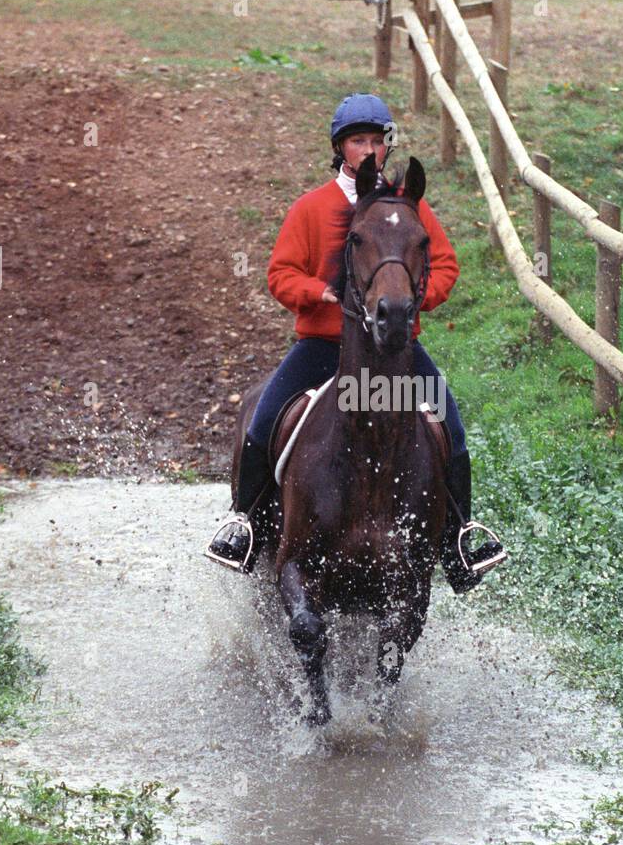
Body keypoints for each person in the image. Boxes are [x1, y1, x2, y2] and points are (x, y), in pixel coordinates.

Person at [206, 93, 505, 592]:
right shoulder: (312, 208)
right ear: (340, 147)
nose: (368, 149)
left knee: (450, 429)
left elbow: (446, 265)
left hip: (393, 355)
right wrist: (318, 291)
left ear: (387, 148)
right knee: (261, 425)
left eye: (376, 141)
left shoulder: (405, 208)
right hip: (324, 348)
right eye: (357, 141)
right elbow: (280, 273)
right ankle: (247, 528)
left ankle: (459, 541)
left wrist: (411, 299)